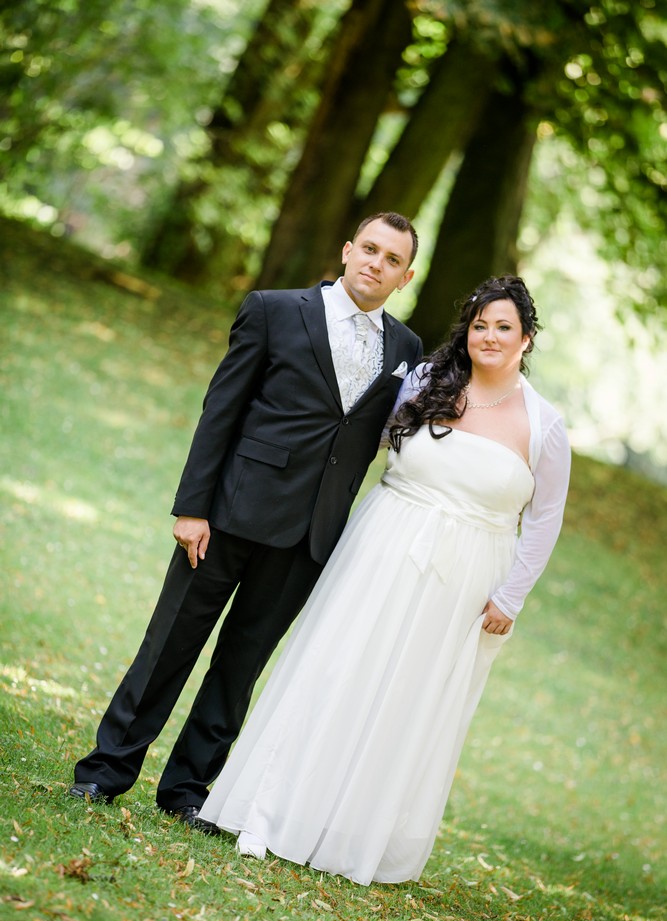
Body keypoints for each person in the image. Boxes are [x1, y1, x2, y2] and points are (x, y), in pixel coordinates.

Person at [197, 275, 571, 884]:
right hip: (382, 544)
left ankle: (352, 832)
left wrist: (511, 596)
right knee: (337, 667)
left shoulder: (546, 426)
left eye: (504, 326)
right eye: (480, 324)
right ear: (467, 331)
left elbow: (545, 520)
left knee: (408, 695)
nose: (490, 336)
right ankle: (270, 808)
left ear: (526, 338)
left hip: (468, 579)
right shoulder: (424, 383)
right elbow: (351, 443)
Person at [69, 212, 423, 831]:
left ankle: (187, 789)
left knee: (241, 669)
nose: (376, 263)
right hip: (229, 514)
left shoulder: (406, 350)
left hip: (309, 535)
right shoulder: (272, 310)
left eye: (392, 259)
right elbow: (220, 410)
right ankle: (105, 771)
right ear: (347, 250)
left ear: (404, 276)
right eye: (369, 248)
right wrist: (191, 508)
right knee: (168, 648)